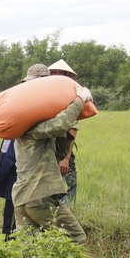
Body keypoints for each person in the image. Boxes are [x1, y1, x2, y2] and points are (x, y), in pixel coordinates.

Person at [12, 81, 93, 244]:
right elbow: (58, 124)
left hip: (22, 198)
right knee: (76, 238)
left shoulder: (26, 132)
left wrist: (68, 135)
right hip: (39, 197)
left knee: (30, 247)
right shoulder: (33, 128)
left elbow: (58, 154)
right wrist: (79, 101)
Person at [0, 64, 50, 239]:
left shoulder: (21, 113)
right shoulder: (51, 112)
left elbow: (7, 156)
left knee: (13, 229)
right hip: (45, 186)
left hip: (19, 186)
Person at [48, 58, 80, 206]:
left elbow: (73, 128)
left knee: (65, 183)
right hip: (48, 147)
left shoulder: (68, 96)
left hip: (62, 148)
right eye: (52, 72)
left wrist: (66, 157)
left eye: (58, 72)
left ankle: (67, 215)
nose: (55, 75)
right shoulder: (48, 94)